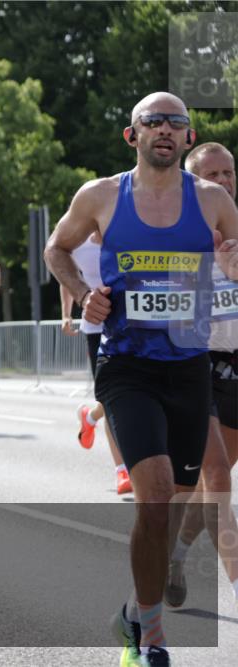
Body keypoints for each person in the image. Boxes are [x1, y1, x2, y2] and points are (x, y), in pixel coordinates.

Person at [44, 92, 238, 667]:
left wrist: (231, 267)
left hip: (187, 366)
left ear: (186, 136)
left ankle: (134, 608)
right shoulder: (101, 196)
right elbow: (58, 248)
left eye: (175, 123)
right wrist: (84, 299)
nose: (164, 130)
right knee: (153, 497)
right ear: (132, 136)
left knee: (175, 500)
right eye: (151, 122)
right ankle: (149, 638)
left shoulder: (213, 201)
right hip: (126, 365)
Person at [165, 142, 238, 609]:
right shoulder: (175, 235)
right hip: (197, 365)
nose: (222, 181)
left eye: (228, 172)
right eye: (210, 174)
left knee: (209, 485)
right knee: (217, 479)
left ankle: (175, 555)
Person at [59, 233, 133, 495]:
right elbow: (65, 272)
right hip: (96, 327)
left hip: (132, 324)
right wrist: (67, 314)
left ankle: (89, 417)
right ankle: (122, 470)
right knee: (112, 398)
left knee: (133, 391)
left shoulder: (125, 225)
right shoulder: (77, 234)